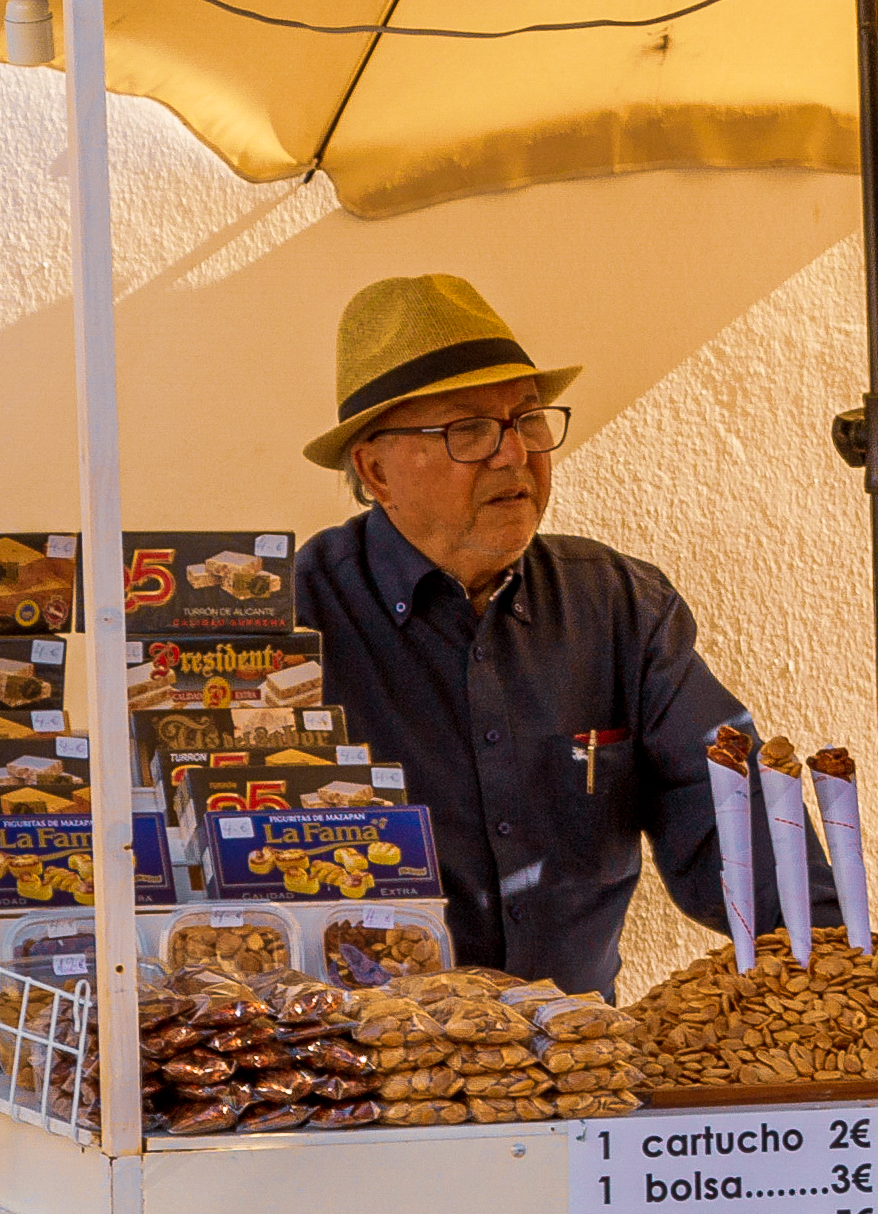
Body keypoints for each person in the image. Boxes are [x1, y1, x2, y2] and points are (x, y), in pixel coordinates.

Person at [292, 274, 824, 994]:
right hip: (366, 1075)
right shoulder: (293, 629)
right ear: (376, 469)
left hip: (580, 1062)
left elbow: (729, 817)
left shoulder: (619, 606)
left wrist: (834, 960)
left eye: (529, 420)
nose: (514, 455)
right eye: (469, 430)